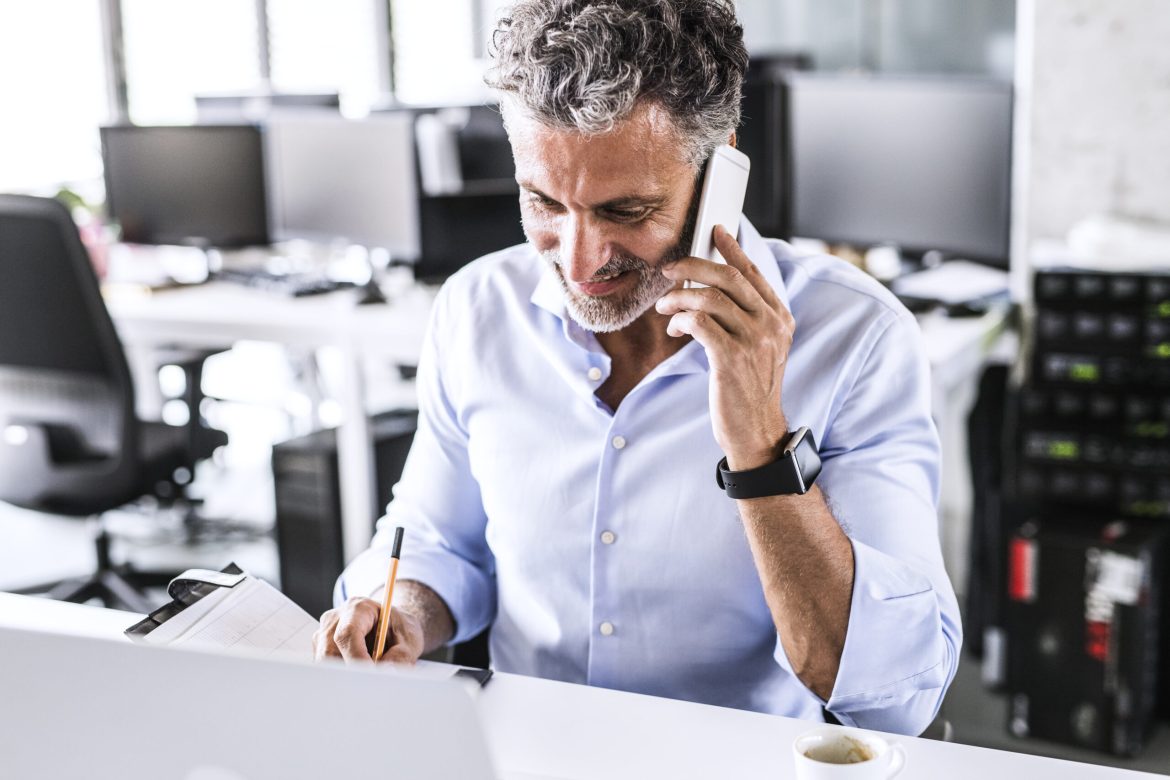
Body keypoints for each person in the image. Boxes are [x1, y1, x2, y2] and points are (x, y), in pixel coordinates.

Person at [313, 0, 961, 735]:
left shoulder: (856, 340)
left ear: (721, 170)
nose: (579, 260)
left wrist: (759, 443)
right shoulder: (476, 311)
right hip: (522, 753)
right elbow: (438, 541)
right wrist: (401, 613)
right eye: (543, 202)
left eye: (626, 210)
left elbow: (894, 699)